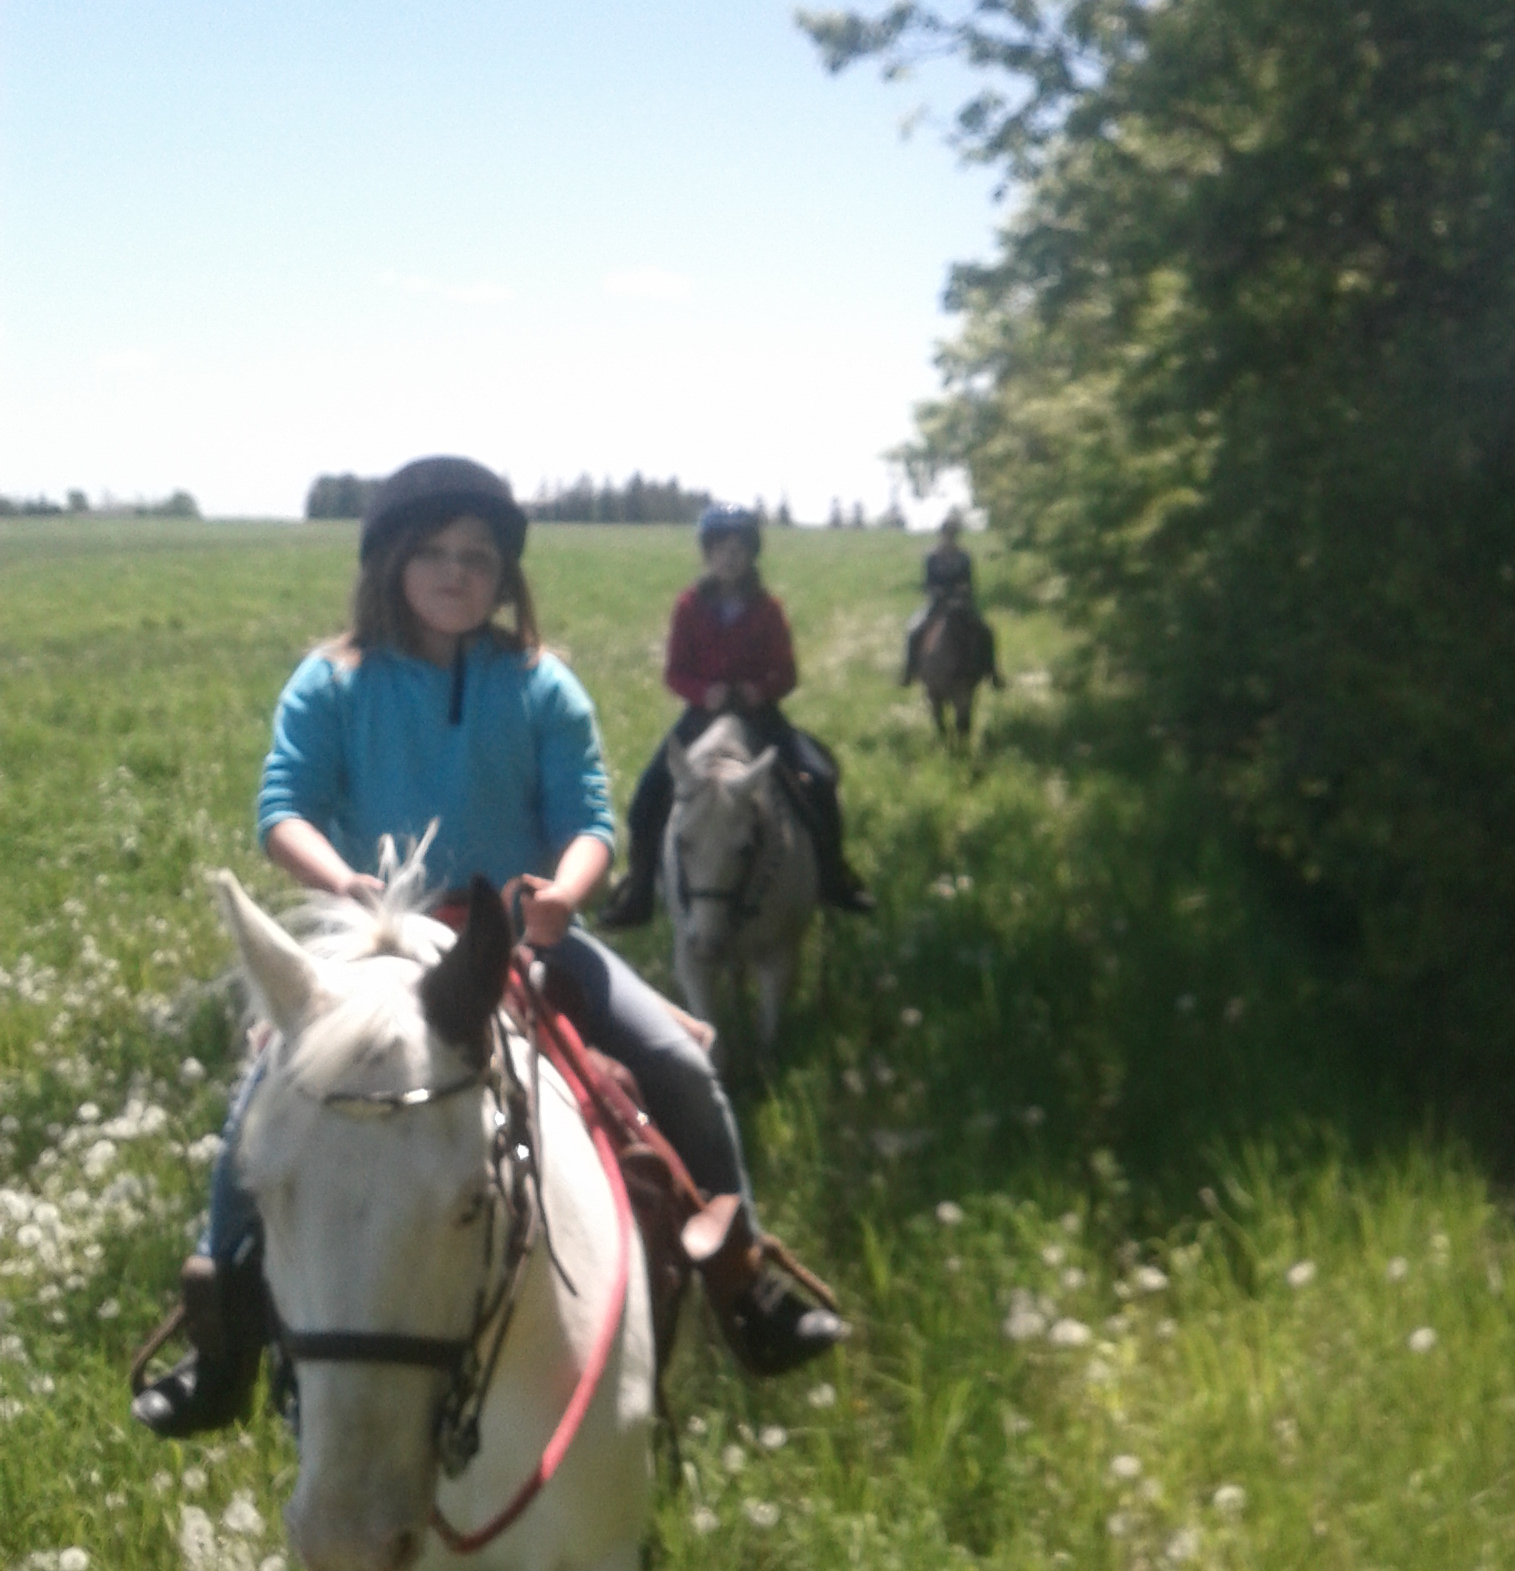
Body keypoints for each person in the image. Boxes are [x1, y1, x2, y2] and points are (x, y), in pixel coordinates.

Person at [131, 457, 844, 1440]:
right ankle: (221, 1340)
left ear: (506, 573)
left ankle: (745, 1283)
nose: (456, 572)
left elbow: (589, 820)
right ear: (391, 561)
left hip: (520, 936)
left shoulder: (541, 684)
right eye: (433, 552)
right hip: (378, 943)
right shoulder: (332, 680)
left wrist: (566, 893)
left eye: (478, 556)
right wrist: (344, 883)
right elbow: (282, 809)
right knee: (261, 1105)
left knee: (678, 1064)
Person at [600, 504, 873, 928]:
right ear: (708, 554)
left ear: (751, 555)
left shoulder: (768, 608)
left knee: (819, 779)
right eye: (721, 549)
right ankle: (638, 892)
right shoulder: (688, 606)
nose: (730, 558)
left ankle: (833, 877)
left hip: (760, 717)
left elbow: (787, 672)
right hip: (702, 717)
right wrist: (702, 692)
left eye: (739, 550)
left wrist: (759, 690)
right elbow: (674, 672)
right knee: (648, 793)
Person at [901, 510, 1002, 686]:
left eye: (953, 534)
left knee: (986, 630)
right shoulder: (931, 557)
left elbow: (970, 583)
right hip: (936, 603)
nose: (950, 538)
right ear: (941, 535)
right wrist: (937, 591)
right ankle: (909, 671)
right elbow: (927, 583)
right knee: (913, 630)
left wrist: (962, 592)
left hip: (960, 603)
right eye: (947, 534)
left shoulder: (964, 557)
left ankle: (992, 672)